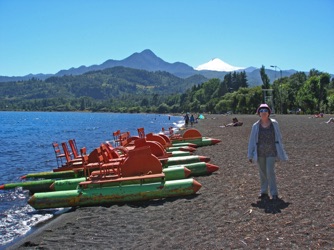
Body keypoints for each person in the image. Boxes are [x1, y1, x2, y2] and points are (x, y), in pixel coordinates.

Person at [247, 104, 288, 202]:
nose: (263, 112)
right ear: (259, 113)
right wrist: (250, 154)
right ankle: (264, 192)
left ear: (269, 113)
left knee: (270, 171)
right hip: (260, 152)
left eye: (265, 110)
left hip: (271, 151)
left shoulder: (274, 123)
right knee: (262, 172)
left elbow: (279, 136)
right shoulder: (255, 126)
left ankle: (274, 193)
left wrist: (280, 150)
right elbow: (252, 140)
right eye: (261, 111)